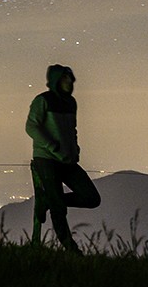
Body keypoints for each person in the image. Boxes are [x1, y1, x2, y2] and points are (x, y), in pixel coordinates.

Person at [26, 63, 100, 250]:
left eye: (70, 78)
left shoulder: (71, 103)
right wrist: (53, 147)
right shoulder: (42, 100)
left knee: (91, 198)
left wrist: (75, 150)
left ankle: (48, 200)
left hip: (67, 160)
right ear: (56, 81)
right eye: (65, 78)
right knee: (59, 208)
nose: (70, 82)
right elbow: (32, 126)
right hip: (46, 159)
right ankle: (70, 247)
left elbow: (72, 129)